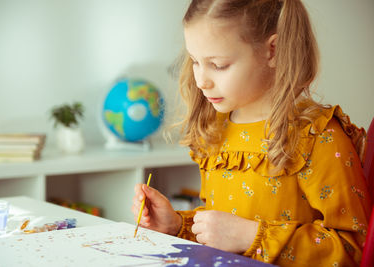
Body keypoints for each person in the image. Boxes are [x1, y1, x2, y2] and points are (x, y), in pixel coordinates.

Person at [132, 0, 371, 265]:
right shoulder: (217, 129)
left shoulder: (317, 135)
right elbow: (223, 233)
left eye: (219, 65)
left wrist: (252, 235)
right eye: (194, 62)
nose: (201, 80)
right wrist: (177, 225)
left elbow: (354, 250)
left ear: (273, 50)